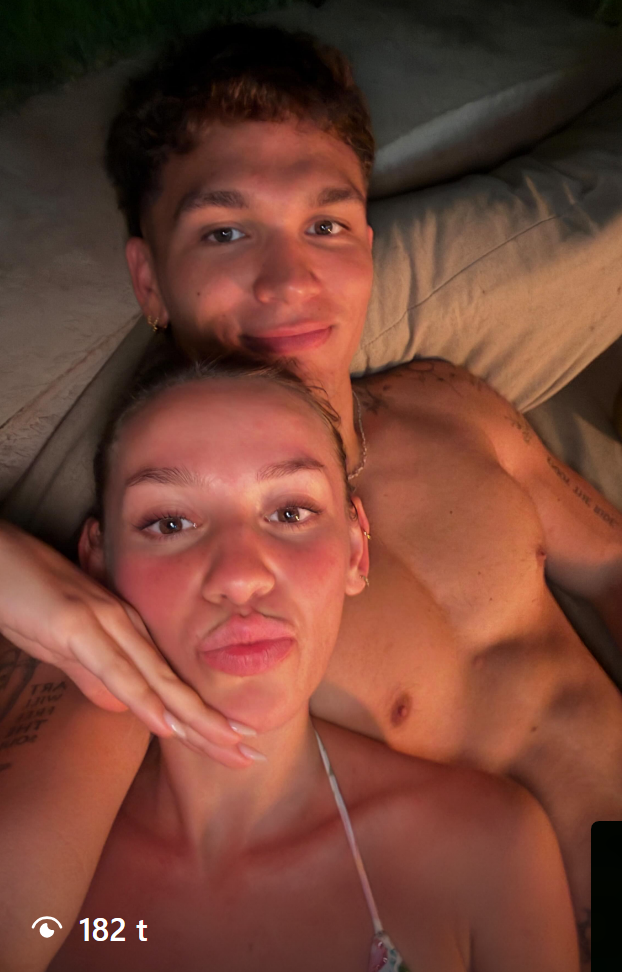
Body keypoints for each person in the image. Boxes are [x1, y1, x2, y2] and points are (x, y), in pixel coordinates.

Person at [0, 24, 620, 965]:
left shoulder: (450, 406)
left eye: (326, 226)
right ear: (148, 281)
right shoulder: (148, 580)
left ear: (367, 245)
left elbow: (611, 562)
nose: (290, 282)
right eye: (225, 231)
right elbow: (31, 921)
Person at [32, 352, 582, 971]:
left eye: (289, 513)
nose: (240, 577)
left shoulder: (488, 850)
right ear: (97, 562)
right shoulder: (38, 886)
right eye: (170, 522)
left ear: (355, 550)